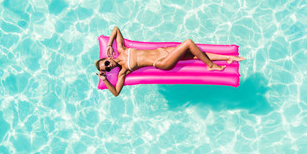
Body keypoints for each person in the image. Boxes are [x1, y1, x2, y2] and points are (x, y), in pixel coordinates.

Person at [95, 26, 244, 96]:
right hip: (162, 63)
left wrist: (109, 45)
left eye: (106, 63)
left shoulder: (121, 49)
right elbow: (115, 93)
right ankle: (210, 65)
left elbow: (115, 29)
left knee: (194, 55)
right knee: (188, 43)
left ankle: (228, 57)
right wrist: (105, 79)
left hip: (163, 51)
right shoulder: (123, 72)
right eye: (107, 69)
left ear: (108, 58)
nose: (109, 67)